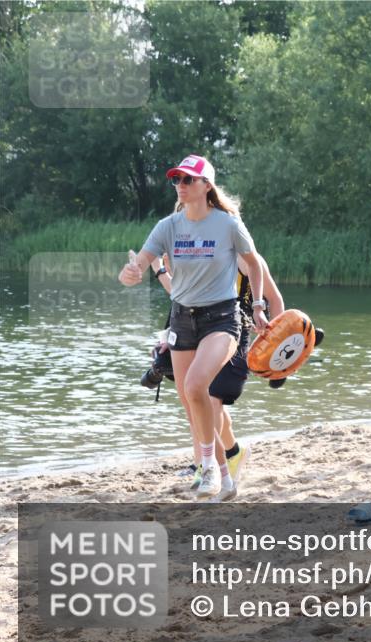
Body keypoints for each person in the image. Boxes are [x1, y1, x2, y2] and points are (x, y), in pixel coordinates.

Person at [119, 154, 270, 500]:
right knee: (193, 404)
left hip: (221, 317)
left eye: (188, 180)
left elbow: (255, 266)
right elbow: (140, 263)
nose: (181, 186)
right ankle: (226, 480)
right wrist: (131, 273)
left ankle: (209, 469)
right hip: (181, 319)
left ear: (206, 185)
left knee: (197, 385)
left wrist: (259, 306)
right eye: (177, 180)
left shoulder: (228, 224)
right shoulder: (168, 226)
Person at [157, 251, 285, 499]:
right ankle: (231, 452)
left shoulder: (251, 261)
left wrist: (276, 349)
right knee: (204, 402)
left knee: (212, 400)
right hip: (205, 333)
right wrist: (170, 335)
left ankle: (209, 466)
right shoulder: (206, 254)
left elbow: (276, 300)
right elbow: (186, 299)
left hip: (237, 336)